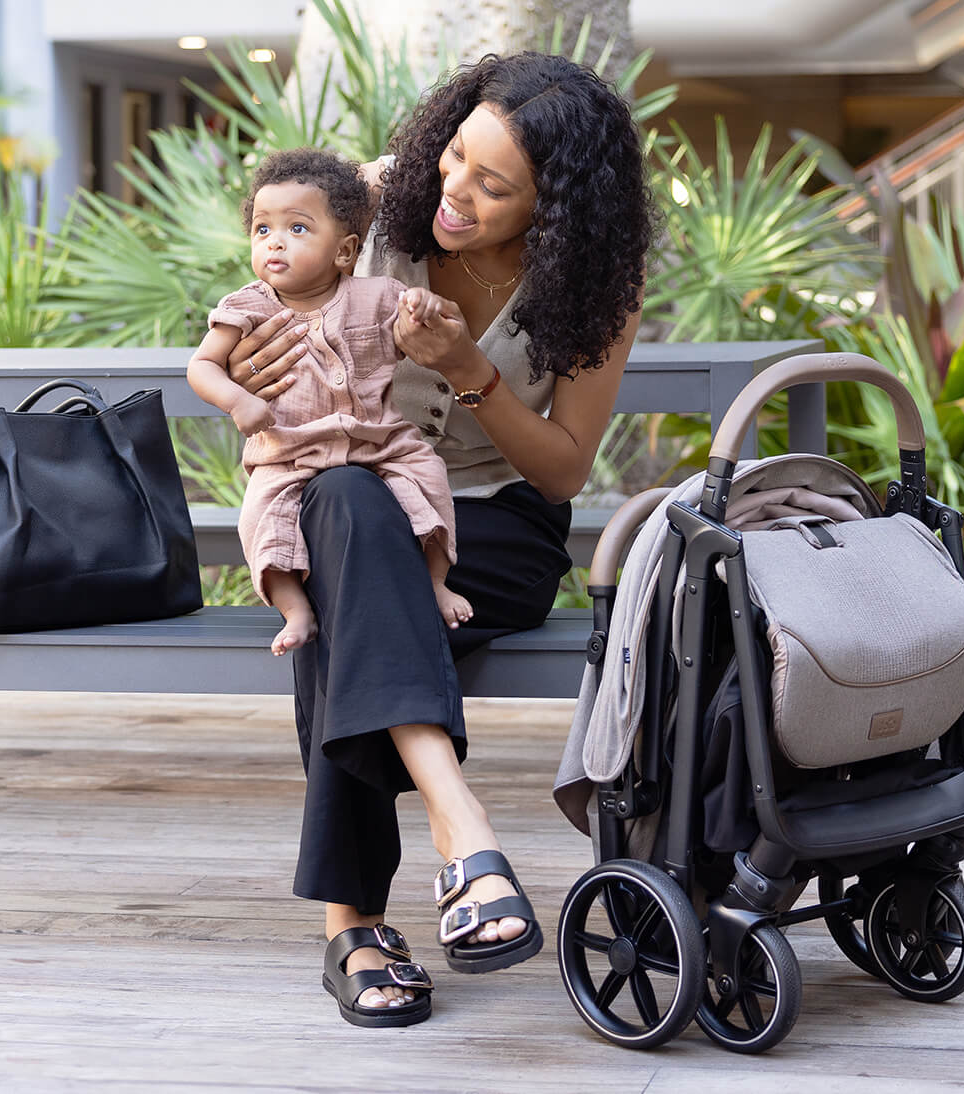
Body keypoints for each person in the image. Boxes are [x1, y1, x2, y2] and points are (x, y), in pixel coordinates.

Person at [223, 52, 652, 1028]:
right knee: (344, 503)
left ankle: (355, 929)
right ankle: (464, 827)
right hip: (346, 488)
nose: (455, 192)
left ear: (557, 208)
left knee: (346, 599)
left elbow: (562, 470)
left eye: (493, 185)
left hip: (495, 522)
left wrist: (470, 369)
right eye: (455, 155)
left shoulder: (591, 284)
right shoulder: (369, 207)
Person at [187, 148, 472, 657]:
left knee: (427, 478)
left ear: (345, 252)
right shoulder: (245, 307)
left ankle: (434, 580)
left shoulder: (378, 295)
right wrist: (236, 401)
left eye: (297, 228)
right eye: (262, 229)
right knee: (261, 517)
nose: (275, 241)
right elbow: (202, 367)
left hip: (379, 444)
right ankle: (294, 607)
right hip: (288, 453)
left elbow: (426, 326)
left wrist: (426, 308)